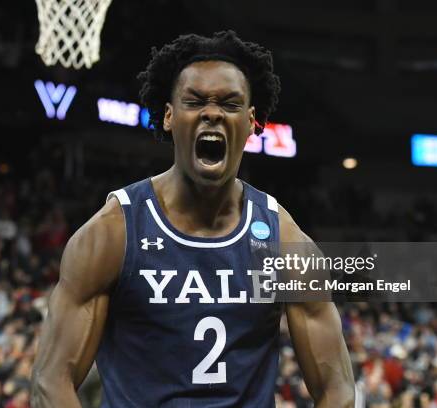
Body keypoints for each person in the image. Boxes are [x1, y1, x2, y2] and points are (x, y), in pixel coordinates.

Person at [31, 30, 355, 407]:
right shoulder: (113, 232)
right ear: (169, 116)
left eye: (230, 104)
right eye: (195, 101)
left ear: (252, 122)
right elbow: (50, 381)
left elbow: (338, 390)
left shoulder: (283, 239)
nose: (213, 113)